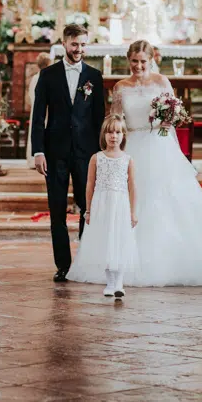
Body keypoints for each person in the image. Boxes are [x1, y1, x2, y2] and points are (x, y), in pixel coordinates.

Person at [110, 39, 202, 286]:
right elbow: (114, 119)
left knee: (164, 197)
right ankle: (128, 258)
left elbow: (174, 113)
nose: (138, 66)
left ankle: (168, 260)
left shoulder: (161, 82)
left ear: (151, 60)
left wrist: (168, 121)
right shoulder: (120, 87)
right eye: (134, 61)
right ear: (128, 60)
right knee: (133, 198)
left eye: (143, 61)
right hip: (133, 145)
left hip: (158, 144)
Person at [31, 24, 105, 282]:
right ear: (64, 43)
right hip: (55, 151)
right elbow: (38, 117)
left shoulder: (94, 77)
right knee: (57, 208)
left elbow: (99, 119)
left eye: (84, 44)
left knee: (88, 208)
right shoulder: (48, 75)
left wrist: (102, 154)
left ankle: (86, 260)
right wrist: (38, 151)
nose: (79, 49)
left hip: (87, 153)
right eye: (75, 44)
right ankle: (63, 264)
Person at [67, 115, 138, 299]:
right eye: (109, 132)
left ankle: (119, 282)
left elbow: (132, 187)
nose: (113, 136)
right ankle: (110, 283)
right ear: (103, 135)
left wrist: (133, 211)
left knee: (120, 241)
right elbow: (89, 185)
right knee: (106, 241)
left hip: (120, 205)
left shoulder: (127, 159)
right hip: (102, 205)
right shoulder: (96, 158)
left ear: (123, 136)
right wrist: (88, 210)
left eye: (117, 132)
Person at [27, 53, 53, 169]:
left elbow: (30, 94)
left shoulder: (35, 77)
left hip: (35, 108)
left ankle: (32, 160)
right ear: (48, 64)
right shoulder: (44, 77)